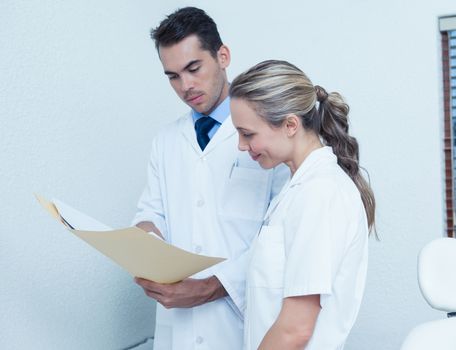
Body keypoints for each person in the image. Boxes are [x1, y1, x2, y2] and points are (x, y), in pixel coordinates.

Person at [132, 8, 288, 350]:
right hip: (179, 328)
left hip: (241, 322)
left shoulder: (268, 134)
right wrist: (145, 247)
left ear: (223, 56)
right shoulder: (166, 141)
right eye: (172, 76)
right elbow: (151, 213)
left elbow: (280, 235)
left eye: (193, 68)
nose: (186, 86)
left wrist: (208, 288)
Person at [229, 60, 376, 349]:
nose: (241, 146)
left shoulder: (320, 193)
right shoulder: (298, 189)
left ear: (290, 125)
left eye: (248, 133)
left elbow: (295, 330)